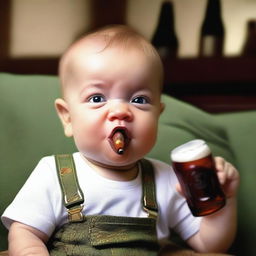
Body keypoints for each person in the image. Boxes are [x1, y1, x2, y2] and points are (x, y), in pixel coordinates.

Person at [1, 25, 239, 256]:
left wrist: (223, 202)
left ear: (158, 115)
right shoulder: (53, 172)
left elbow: (209, 245)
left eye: (139, 100)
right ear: (68, 118)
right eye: (97, 97)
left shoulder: (166, 179)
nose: (120, 110)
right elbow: (26, 233)